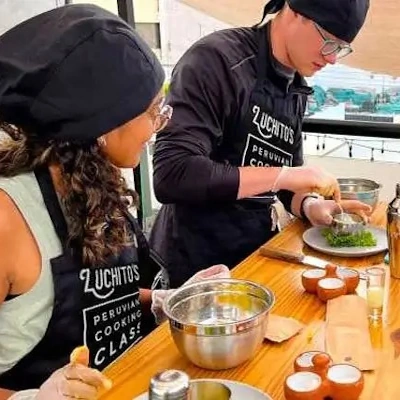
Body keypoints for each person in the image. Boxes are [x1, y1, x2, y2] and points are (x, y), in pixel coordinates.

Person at [0, 5, 230, 400]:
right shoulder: (8, 217)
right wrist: (35, 398)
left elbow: (97, 296)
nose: (162, 122)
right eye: (151, 111)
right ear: (100, 125)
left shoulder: (94, 181)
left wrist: (163, 301)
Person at [149, 0, 372, 287]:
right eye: (329, 41)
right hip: (194, 267)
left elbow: (284, 183)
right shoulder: (217, 61)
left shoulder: (295, 87)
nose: (332, 59)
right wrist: (283, 175)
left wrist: (309, 205)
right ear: (295, 11)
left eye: (341, 48)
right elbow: (172, 174)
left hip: (254, 258)